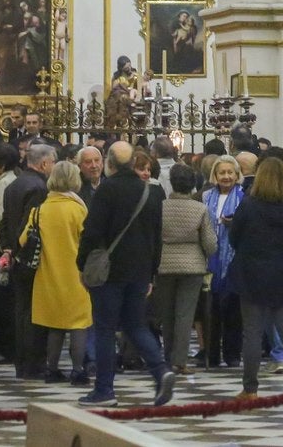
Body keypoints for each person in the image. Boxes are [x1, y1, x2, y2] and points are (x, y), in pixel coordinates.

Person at [76, 143, 175, 407]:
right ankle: (161, 370)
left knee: (106, 329)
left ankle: (104, 390)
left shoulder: (107, 189)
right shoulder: (151, 192)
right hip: (140, 271)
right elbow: (157, 237)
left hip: (110, 272)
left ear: (109, 163)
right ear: (133, 163)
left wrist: (81, 264)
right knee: (135, 325)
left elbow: (93, 231)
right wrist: (152, 273)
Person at [228, 157, 283, 398]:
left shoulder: (248, 205)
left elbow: (234, 238)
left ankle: (250, 389)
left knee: (252, 332)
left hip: (252, 273)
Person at [22, 161, 91, 384]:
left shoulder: (40, 210)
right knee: (79, 324)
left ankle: (52, 369)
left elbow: (23, 240)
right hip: (76, 275)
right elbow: (88, 240)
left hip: (48, 274)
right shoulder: (78, 209)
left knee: (55, 325)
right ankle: (78, 369)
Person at [156, 163, 216, 375]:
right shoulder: (200, 209)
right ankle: (180, 361)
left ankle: (167, 357)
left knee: (168, 314)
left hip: (164, 264)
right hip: (192, 266)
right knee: (185, 314)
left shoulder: (161, 207)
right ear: (192, 184)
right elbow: (210, 243)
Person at [2, 143, 56, 378]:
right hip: (30, 258)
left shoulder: (15, 183)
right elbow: (32, 226)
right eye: (52, 163)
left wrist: (8, 249)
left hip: (16, 255)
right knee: (34, 313)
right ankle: (33, 363)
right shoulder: (38, 188)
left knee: (21, 310)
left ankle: (22, 363)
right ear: (44, 163)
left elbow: (5, 222)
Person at [201, 154, 245, 367]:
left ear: (237, 175)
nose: (226, 177)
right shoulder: (206, 196)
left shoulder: (244, 196)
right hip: (211, 255)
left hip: (234, 256)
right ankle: (211, 353)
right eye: (222, 173)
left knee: (233, 308)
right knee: (211, 308)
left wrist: (234, 223)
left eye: (230, 173)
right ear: (215, 175)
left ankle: (232, 353)